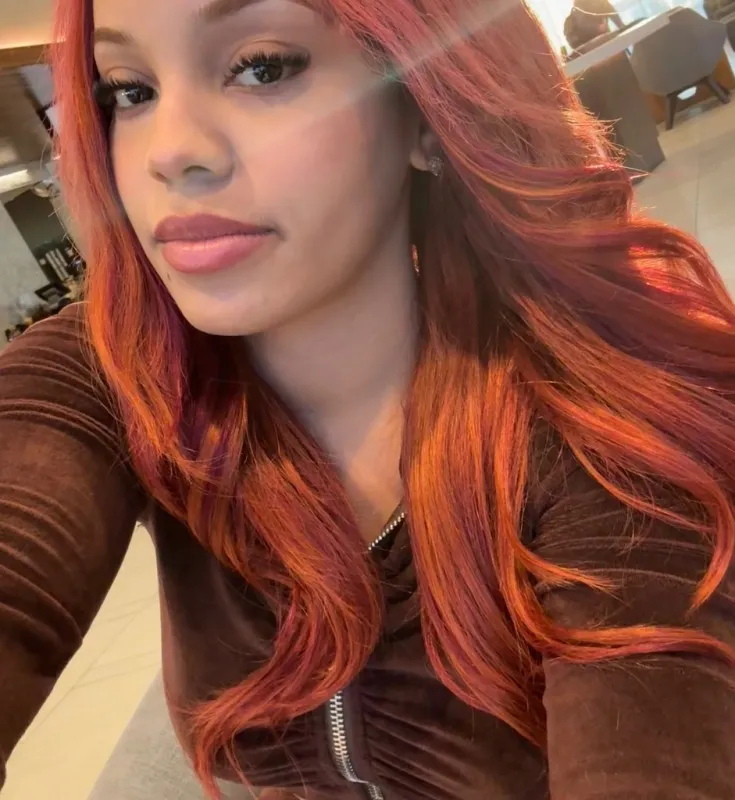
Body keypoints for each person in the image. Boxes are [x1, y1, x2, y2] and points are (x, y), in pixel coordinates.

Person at [1, 0, 735, 797]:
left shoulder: (592, 425)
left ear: (424, 107)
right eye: (130, 91)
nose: (171, 152)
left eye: (263, 67)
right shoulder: (120, 369)